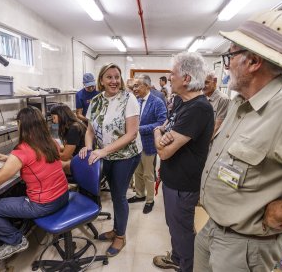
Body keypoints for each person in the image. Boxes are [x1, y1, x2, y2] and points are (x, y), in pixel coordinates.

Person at [194, 10, 282, 272]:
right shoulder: (241, 103)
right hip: (212, 229)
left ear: (253, 62)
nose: (227, 66)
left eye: (230, 56)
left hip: (244, 247)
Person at [0, 107, 69, 260]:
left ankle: (15, 241)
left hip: (44, 204)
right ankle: (21, 230)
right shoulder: (50, 142)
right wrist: (9, 159)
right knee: (19, 191)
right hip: (63, 196)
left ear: (21, 125)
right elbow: (37, 159)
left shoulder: (22, 150)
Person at [152, 52, 214, 272]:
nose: (170, 77)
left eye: (173, 73)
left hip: (184, 184)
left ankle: (186, 266)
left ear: (186, 78)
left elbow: (165, 152)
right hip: (171, 179)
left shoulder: (199, 108)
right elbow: (166, 126)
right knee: (173, 225)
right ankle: (177, 258)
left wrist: (157, 135)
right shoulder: (181, 101)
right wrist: (161, 134)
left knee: (183, 231)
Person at [79, 63, 142, 257]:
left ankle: (120, 236)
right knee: (111, 192)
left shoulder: (128, 98)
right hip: (105, 153)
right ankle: (115, 229)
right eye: (109, 77)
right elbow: (90, 130)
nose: (114, 81)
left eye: (117, 77)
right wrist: (88, 148)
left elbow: (131, 134)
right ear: (101, 80)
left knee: (118, 195)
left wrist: (103, 151)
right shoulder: (96, 100)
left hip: (127, 155)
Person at [128, 74, 167, 214]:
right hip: (136, 144)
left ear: (146, 86)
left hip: (149, 144)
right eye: (134, 86)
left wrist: (140, 129)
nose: (134, 88)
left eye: (137, 85)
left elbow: (162, 122)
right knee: (137, 172)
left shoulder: (157, 102)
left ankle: (150, 200)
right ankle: (140, 194)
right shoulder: (136, 101)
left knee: (148, 174)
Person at [50, 103, 86, 173]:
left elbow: (65, 156)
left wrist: (49, 154)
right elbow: (69, 147)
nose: (53, 121)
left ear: (61, 115)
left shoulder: (74, 128)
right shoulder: (75, 124)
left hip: (84, 163)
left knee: (54, 164)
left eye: (54, 117)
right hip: (81, 158)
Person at [202, 71, 230, 137]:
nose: (203, 86)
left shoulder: (223, 99)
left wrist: (204, 143)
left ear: (215, 81)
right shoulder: (202, 97)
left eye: (206, 82)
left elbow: (217, 127)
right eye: (201, 83)